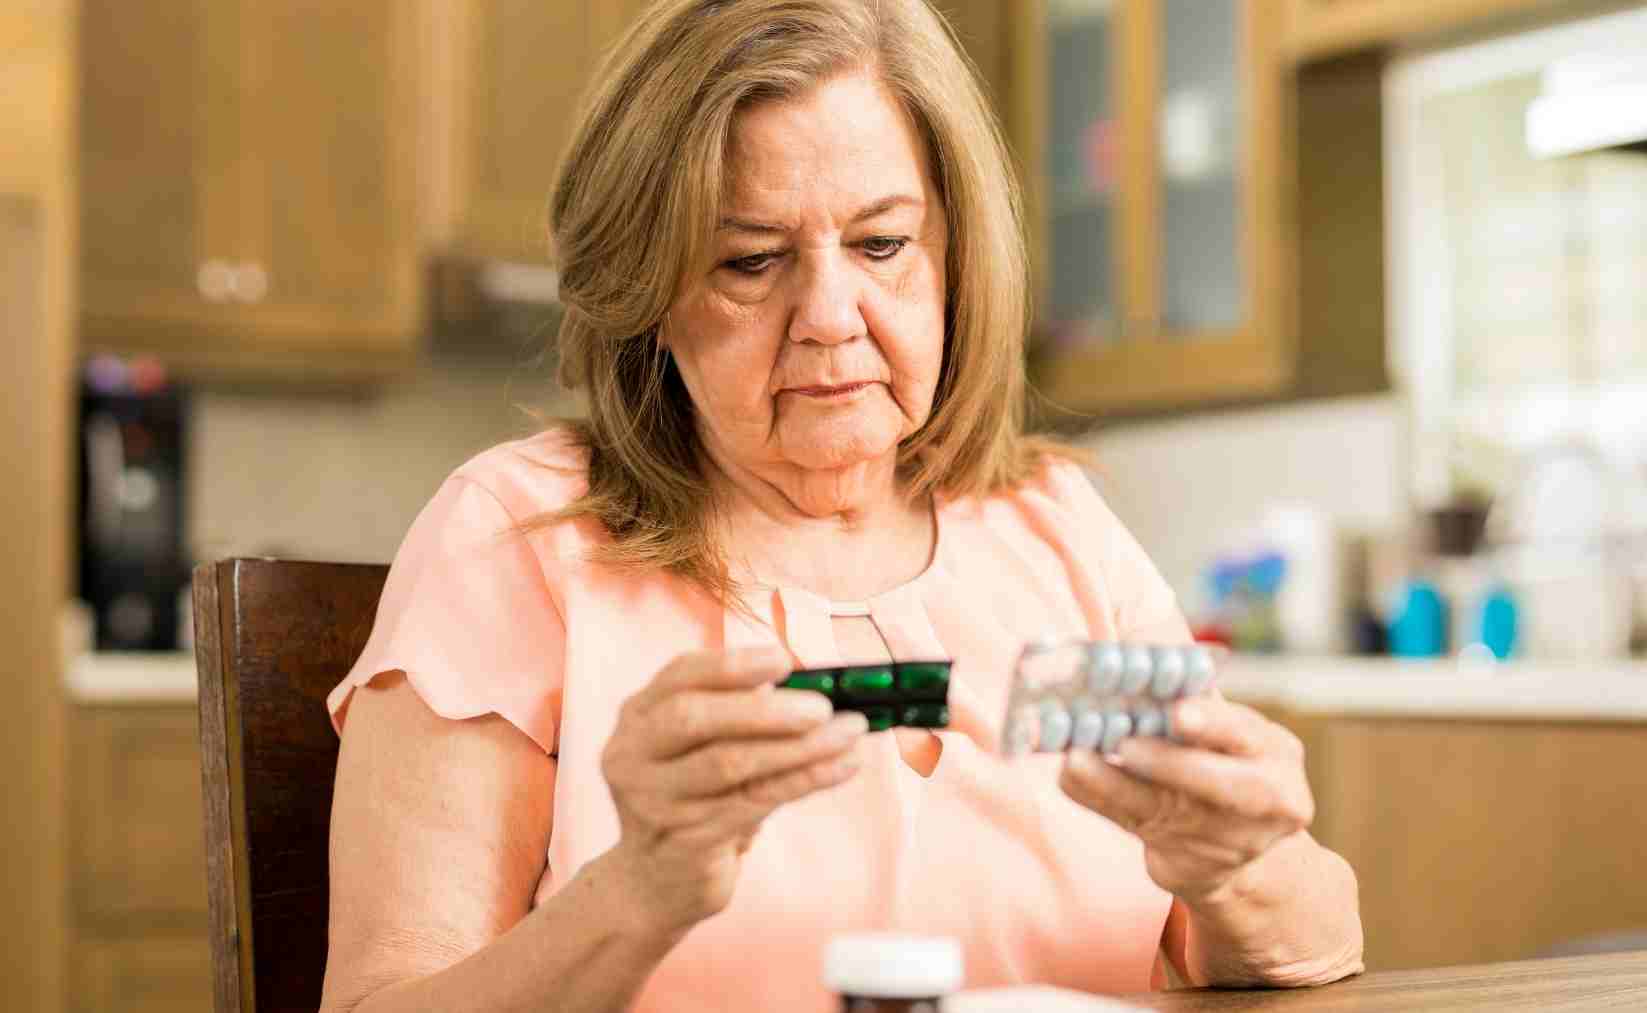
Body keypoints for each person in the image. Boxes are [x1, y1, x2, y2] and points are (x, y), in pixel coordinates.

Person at [318, 1, 1363, 1010]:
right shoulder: (516, 537)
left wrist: (1242, 861)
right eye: (750, 260)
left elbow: (1319, 940)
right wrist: (635, 890)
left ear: (954, 255)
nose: (829, 316)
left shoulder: (1059, 524)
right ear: (648, 295)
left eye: (880, 245)